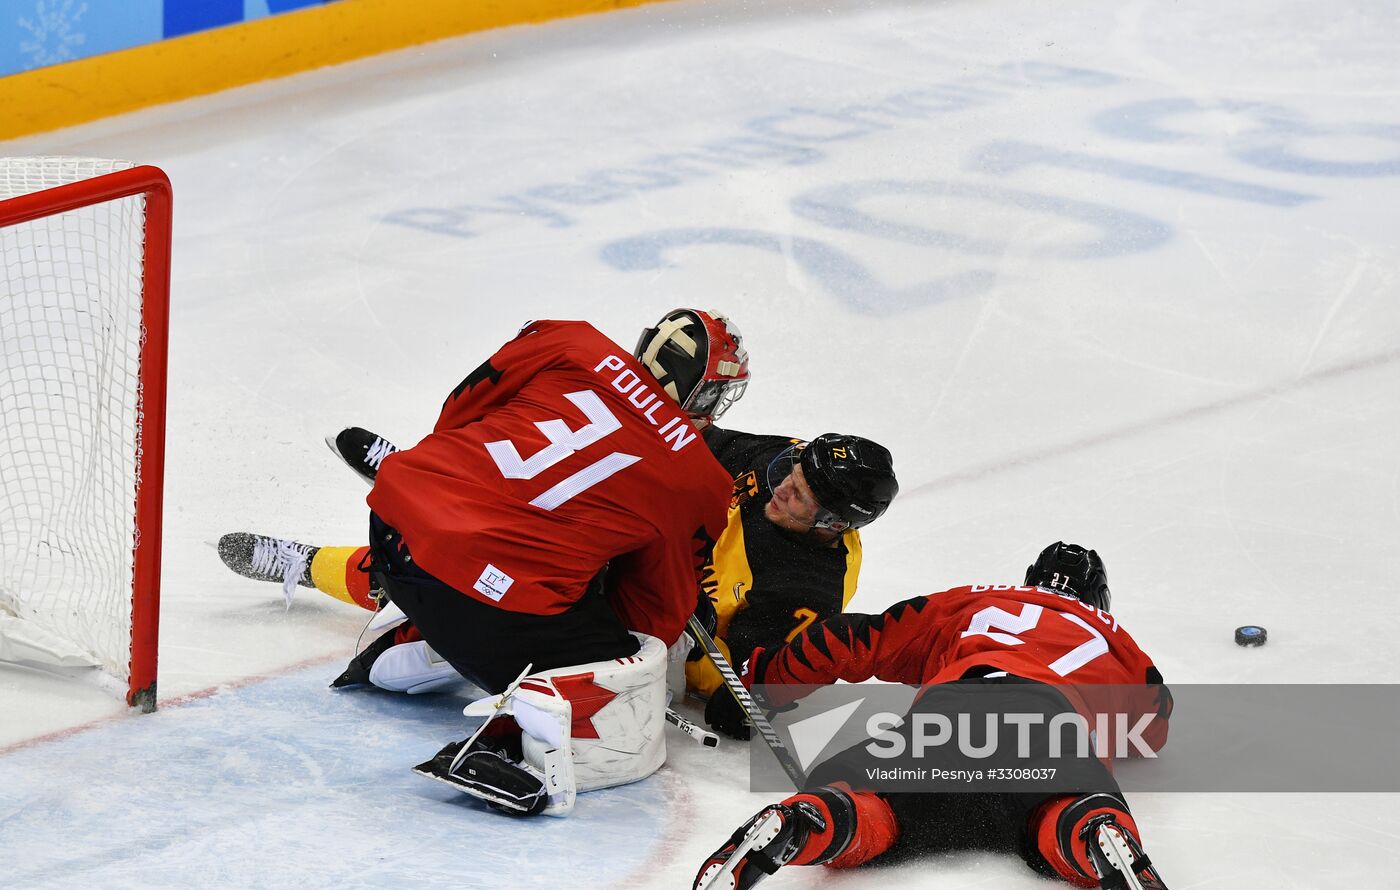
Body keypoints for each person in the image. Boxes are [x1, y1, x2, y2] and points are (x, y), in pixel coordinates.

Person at [219, 308, 749, 815]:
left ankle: (412, 635)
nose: (788, 492)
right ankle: (510, 741)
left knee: (485, 559)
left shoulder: (572, 339)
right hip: (496, 591)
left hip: (403, 519)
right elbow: (652, 611)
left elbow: (463, 404)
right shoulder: (710, 477)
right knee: (622, 665)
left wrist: (450, 461)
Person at [695, 543, 1172, 890]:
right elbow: (1153, 729)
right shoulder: (1119, 643)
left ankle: (804, 823)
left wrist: (763, 682)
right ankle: (1096, 832)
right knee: (1061, 809)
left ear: (1028, 580)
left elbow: (850, 639)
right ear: (1099, 600)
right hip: (1050, 726)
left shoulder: (973, 600)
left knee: (870, 806)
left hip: (951, 715)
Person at [688, 427, 898, 738]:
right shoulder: (787, 463)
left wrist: (679, 606)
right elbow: (694, 441)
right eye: (793, 473)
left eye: (799, 495)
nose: (782, 487)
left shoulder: (806, 591)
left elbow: (731, 684)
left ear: (833, 524)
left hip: (680, 610)